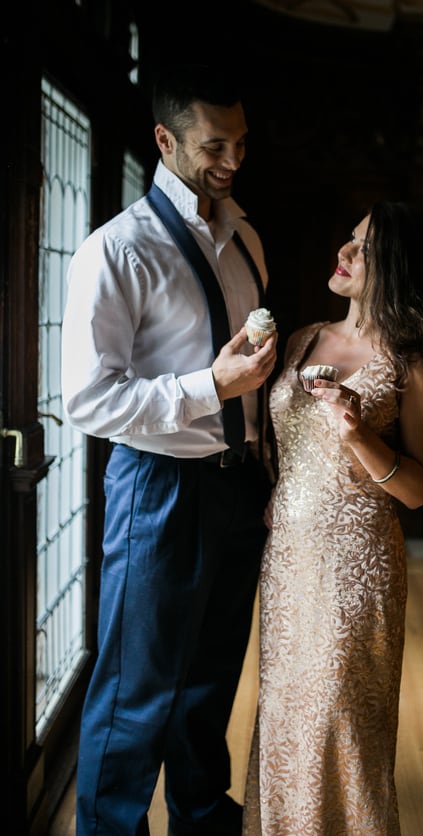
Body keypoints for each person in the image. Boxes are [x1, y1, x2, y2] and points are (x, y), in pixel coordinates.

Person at [61, 64, 277, 836]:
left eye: (242, 142)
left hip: (238, 485)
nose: (233, 159)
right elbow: (86, 400)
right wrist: (208, 388)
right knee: (135, 687)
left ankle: (198, 817)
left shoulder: (246, 235)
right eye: (215, 144)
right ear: (166, 140)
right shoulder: (116, 251)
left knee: (213, 677)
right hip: (158, 486)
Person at [243, 201, 423, 835]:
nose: (345, 253)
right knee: (285, 716)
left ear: (397, 269)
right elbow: (285, 445)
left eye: (364, 249)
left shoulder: (413, 365)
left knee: (338, 724)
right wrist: (279, 492)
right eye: (349, 240)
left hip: (358, 571)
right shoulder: (302, 340)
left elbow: (417, 490)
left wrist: (356, 432)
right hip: (290, 563)